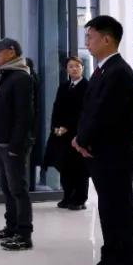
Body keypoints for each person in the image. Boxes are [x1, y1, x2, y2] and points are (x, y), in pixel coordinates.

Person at [72, 15, 133, 265]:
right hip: (101, 153)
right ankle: (108, 262)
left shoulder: (119, 72)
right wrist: (81, 139)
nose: (87, 42)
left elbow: (105, 114)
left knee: (119, 213)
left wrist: (82, 139)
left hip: (114, 155)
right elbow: (90, 110)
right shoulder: (103, 70)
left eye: (90, 37)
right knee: (108, 211)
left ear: (107, 39)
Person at [0, 38, 37, 251]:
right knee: (7, 188)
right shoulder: (5, 76)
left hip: (13, 144)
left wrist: (16, 145)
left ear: (11, 52)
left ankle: (24, 234)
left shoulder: (21, 78)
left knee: (18, 189)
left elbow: (24, 116)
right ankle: (11, 227)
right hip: (1, 141)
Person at [49, 57, 89, 210]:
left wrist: (69, 127)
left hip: (78, 133)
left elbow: (85, 111)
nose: (74, 69)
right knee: (65, 166)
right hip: (62, 134)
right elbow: (57, 108)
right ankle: (67, 196)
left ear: (83, 68)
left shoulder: (87, 86)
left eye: (77, 66)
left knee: (80, 167)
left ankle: (79, 199)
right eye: (71, 66)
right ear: (66, 69)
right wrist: (55, 127)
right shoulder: (64, 86)